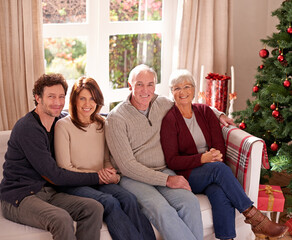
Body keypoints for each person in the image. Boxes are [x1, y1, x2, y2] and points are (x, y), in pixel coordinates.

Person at [105, 64, 234, 240]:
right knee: (162, 210)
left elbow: (187, 103)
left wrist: (219, 114)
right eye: (139, 84)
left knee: (189, 202)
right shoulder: (116, 118)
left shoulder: (162, 103)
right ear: (130, 85)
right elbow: (127, 166)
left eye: (150, 84)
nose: (145, 90)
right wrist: (167, 180)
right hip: (133, 178)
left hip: (163, 169)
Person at [160, 69, 289, 240]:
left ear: (194, 89)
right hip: (188, 174)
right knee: (219, 170)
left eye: (186, 86)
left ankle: (227, 238)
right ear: (171, 92)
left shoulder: (205, 112)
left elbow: (219, 145)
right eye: (177, 88)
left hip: (211, 170)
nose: (182, 92)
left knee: (219, 191)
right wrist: (202, 159)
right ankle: (256, 218)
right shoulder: (170, 120)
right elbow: (172, 161)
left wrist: (215, 156)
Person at [0, 74, 104, 240]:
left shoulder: (60, 121)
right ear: (38, 98)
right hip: (20, 196)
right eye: (51, 96)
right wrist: (98, 177)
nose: (57, 102)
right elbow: (54, 175)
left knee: (94, 208)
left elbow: (86, 117)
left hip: (48, 192)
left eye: (61, 97)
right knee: (61, 219)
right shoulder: (28, 128)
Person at [54, 76, 156, 240]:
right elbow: (65, 167)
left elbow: (107, 159)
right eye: (82, 99)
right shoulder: (63, 126)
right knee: (109, 202)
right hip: (73, 183)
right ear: (74, 100)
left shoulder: (102, 123)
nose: (88, 104)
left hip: (99, 180)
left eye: (92, 99)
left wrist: (112, 175)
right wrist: (97, 175)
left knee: (129, 199)